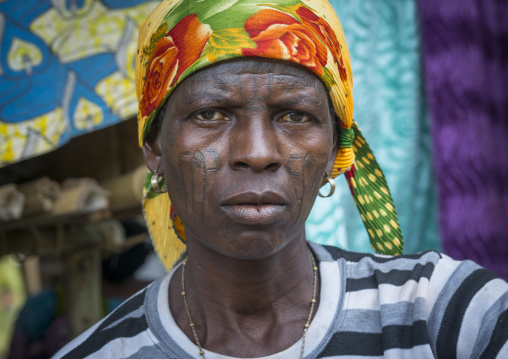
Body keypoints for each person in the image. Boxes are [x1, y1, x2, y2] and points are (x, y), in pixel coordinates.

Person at [53, 0, 508, 358]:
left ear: (335, 149)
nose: (257, 153)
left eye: (295, 115)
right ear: (153, 147)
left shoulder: (444, 309)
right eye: (210, 113)